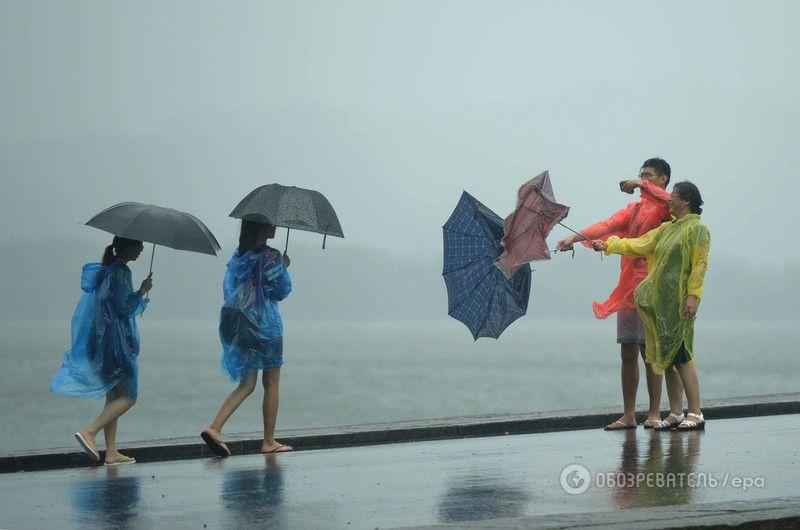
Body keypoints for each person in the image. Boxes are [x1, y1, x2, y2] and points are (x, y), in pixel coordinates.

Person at [556, 158, 677, 430]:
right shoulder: (634, 210)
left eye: (648, 176)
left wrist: (639, 184)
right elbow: (606, 226)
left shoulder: (667, 208)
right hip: (628, 291)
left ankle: (655, 413)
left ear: (663, 179)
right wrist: (574, 238)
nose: (642, 179)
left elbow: (669, 200)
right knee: (627, 351)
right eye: (641, 175)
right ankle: (630, 414)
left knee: (651, 353)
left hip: (652, 288)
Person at [592, 181, 710, 431]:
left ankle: (696, 412)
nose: (670, 200)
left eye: (674, 196)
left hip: (681, 301)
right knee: (667, 355)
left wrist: (693, 296)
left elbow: (699, 265)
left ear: (685, 201)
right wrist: (609, 245)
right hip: (662, 303)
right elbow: (639, 244)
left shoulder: (697, 230)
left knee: (682, 354)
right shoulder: (666, 229)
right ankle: (677, 412)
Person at [51, 236, 154, 464]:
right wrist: (142, 291)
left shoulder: (106, 271)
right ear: (126, 247)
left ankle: (111, 452)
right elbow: (123, 308)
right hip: (117, 345)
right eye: (138, 245)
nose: (142, 249)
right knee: (129, 397)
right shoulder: (121, 272)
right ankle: (90, 432)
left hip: (101, 343)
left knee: (113, 396)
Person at [202, 220, 293, 456]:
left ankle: (215, 427)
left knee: (247, 384)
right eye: (271, 223)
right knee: (271, 383)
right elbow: (282, 291)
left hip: (239, 326)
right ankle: (269, 441)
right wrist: (284, 267)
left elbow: (231, 288)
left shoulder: (238, 256)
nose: (276, 225)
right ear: (262, 228)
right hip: (265, 326)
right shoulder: (271, 256)